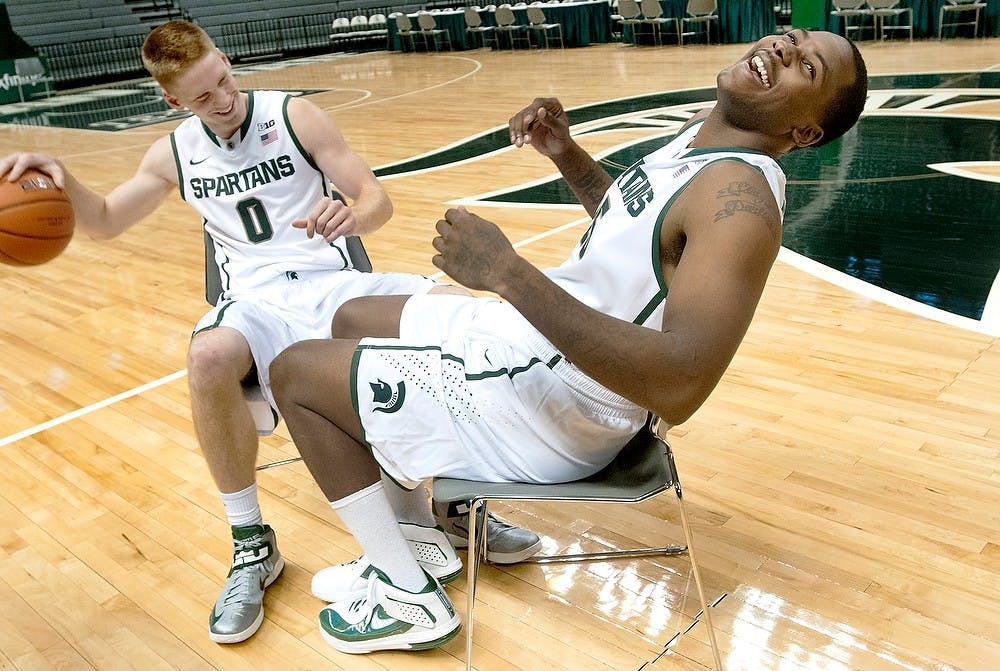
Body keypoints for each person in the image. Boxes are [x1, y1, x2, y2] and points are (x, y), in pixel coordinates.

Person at [266, 28, 869, 654]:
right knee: (355, 318)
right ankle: (429, 537)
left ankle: (406, 594)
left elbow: (683, 383)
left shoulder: (740, 203)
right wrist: (567, 154)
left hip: (560, 400)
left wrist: (508, 274)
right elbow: (640, 228)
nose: (781, 50)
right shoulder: (706, 140)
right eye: (790, 37)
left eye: (807, 66)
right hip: (540, 348)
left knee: (296, 374)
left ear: (805, 133)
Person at [0, 20, 540, 645]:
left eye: (224, 81)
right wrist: (61, 178)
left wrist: (353, 213)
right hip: (255, 302)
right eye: (203, 97)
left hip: (330, 284)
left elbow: (375, 199)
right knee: (206, 357)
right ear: (174, 101)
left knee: (450, 315)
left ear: (225, 60)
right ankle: (252, 544)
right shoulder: (172, 153)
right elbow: (105, 221)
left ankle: (456, 501)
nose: (223, 101)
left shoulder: (294, 117)